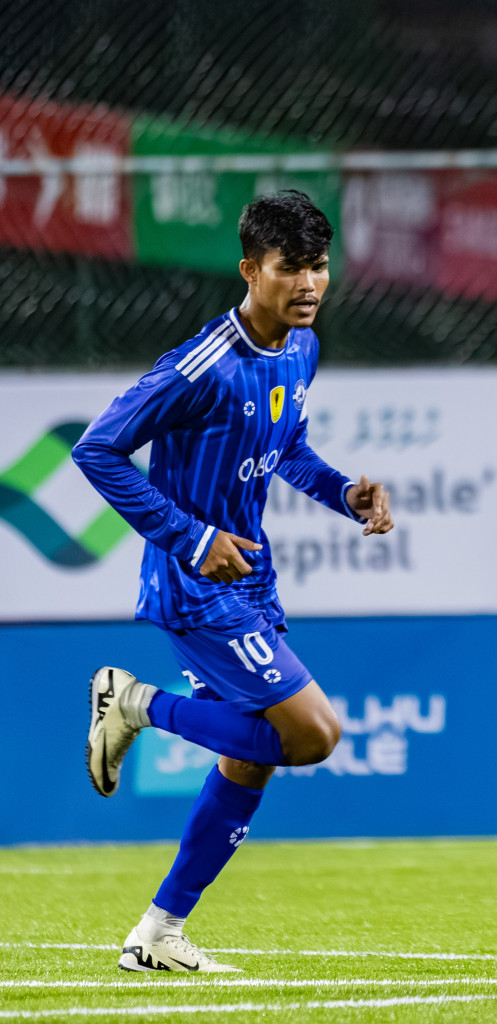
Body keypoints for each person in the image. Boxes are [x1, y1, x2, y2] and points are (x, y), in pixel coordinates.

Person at [73, 190, 393, 972]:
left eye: (319, 266)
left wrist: (344, 494)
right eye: (291, 268)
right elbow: (96, 449)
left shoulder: (301, 347)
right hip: (196, 587)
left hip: (248, 579)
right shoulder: (200, 366)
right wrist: (191, 538)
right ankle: (135, 703)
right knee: (313, 735)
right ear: (251, 269)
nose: (309, 284)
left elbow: (287, 447)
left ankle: (158, 934)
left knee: (252, 758)